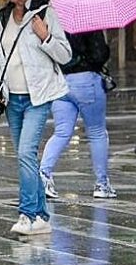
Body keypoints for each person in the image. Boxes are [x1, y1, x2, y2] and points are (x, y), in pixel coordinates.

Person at [0, 0, 71, 234]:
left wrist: (45, 37)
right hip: (11, 98)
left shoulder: (45, 14)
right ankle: (42, 216)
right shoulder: (1, 16)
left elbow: (65, 55)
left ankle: (27, 214)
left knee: (25, 154)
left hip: (37, 97)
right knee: (26, 157)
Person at [37, 30, 115, 199]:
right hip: (86, 80)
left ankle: (44, 175)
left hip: (60, 81)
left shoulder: (54, 20)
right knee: (96, 132)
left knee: (61, 132)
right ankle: (102, 184)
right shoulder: (88, 22)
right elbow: (99, 55)